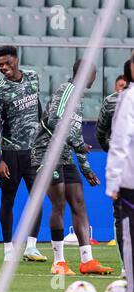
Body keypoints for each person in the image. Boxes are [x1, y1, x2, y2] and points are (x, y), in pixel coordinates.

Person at [31, 59, 113, 276]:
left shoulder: (79, 100)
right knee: (58, 202)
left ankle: (87, 261)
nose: (95, 78)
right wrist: (77, 144)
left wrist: (86, 170)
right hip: (47, 154)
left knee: (78, 202)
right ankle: (59, 262)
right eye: (93, 73)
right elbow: (53, 120)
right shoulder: (67, 90)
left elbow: (74, 135)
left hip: (65, 156)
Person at [0, 45, 46, 262]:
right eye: (0, 65)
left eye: (6, 63)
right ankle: (8, 249)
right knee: (8, 200)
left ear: (16, 59)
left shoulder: (33, 77)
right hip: (11, 153)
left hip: (33, 152)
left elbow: (38, 108)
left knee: (37, 198)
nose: (3, 67)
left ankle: (31, 247)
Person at [96, 60, 133, 278]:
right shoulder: (115, 102)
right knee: (124, 220)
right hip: (126, 173)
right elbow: (104, 134)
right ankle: (126, 266)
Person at [106, 54, 134, 292]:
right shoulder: (124, 98)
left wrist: (113, 181)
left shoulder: (129, 98)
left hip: (130, 183)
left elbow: (120, 141)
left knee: (130, 236)